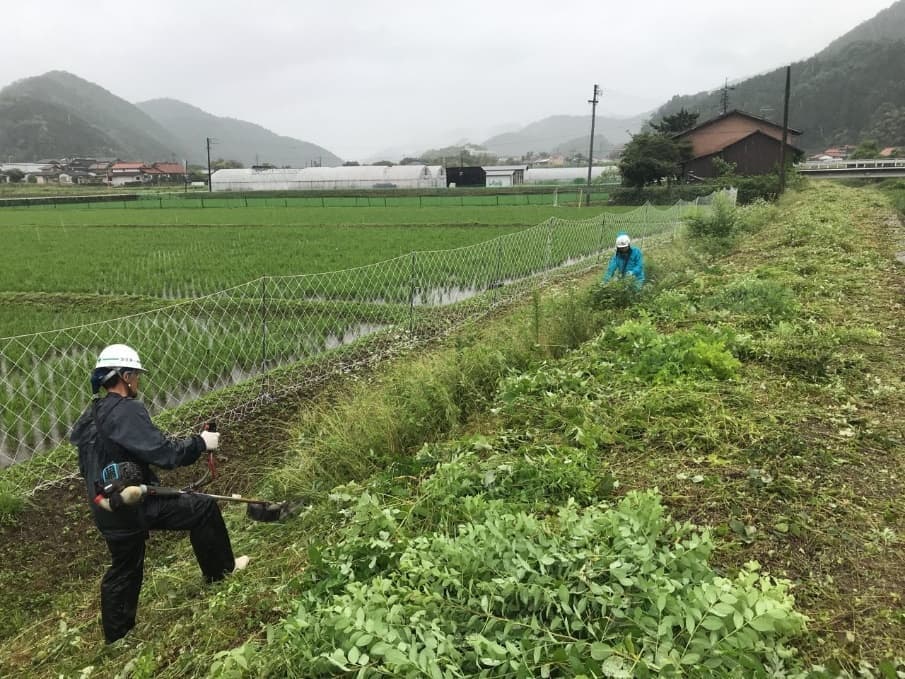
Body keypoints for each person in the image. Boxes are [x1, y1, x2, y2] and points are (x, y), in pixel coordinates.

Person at [70, 344, 248, 644]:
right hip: (132, 504)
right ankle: (222, 573)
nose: (138, 381)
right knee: (203, 508)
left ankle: (117, 638)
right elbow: (163, 453)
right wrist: (201, 443)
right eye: (136, 376)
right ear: (125, 377)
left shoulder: (93, 414)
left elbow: (88, 464)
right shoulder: (126, 410)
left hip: (105, 504)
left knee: (124, 566)